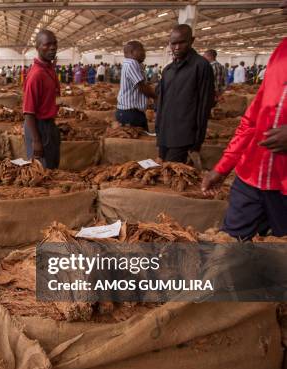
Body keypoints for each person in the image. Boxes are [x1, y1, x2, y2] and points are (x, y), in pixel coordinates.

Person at [201, 37, 286, 239]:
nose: (282, 4)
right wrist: (222, 168)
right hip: (250, 178)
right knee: (227, 248)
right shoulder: (282, 50)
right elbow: (252, 120)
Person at [155, 24, 214, 163]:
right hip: (165, 133)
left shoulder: (201, 66)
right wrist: (158, 130)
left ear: (192, 40)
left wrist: (198, 140)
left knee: (172, 172)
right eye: (173, 43)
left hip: (184, 135)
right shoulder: (168, 70)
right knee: (160, 169)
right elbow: (161, 102)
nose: (176, 47)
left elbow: (204, 105)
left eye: (182, 42)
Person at [22, 29, 60, 169]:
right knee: (42, 171)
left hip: (49, 124)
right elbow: (28, 112)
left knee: (52, 165)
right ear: (37, 48)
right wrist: (36, 140)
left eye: (55, 43)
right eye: (47, 44)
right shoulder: (36, 75)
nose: (52, 47)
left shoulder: (48, 69)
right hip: (38, 126)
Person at [116, 41, 155, 131]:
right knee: (141, 141)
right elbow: (142, 86)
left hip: (130, 112)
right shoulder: (131, 63)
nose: (144, 53)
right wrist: (157, 97)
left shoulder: (130, 63)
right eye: (142, 50)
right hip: (130, 113)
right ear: (132, 52)